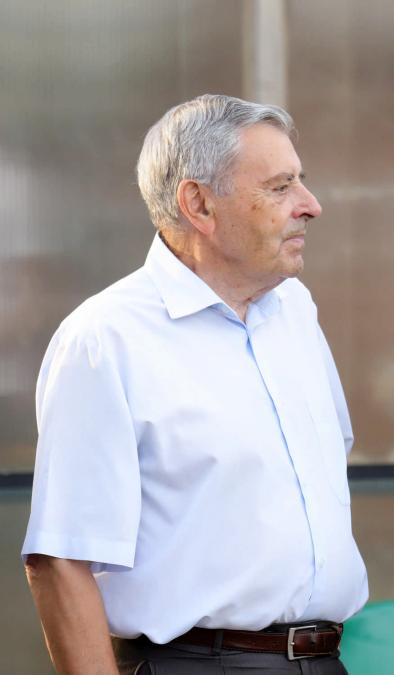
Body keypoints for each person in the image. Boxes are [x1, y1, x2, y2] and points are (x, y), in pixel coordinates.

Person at [22, 94, 367, 674]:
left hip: (324, 660)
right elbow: (61, 560)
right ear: (198, 204)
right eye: (280, 187)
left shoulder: (295, 310)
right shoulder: (106, 338)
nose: (310, 205)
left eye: (300, 182)